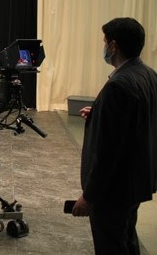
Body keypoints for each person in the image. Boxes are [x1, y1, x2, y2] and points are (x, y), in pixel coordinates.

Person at [72, 17, 157, 255]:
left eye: (105, 41)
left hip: (113, 190)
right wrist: (100, 112)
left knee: (111, 245)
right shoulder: (148, 75)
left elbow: (108, 152)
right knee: (127, 239)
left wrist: (89, 197)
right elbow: (137, 120)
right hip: (135, 183)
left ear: (113, 46)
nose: (104, 46)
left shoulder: (118, 85)